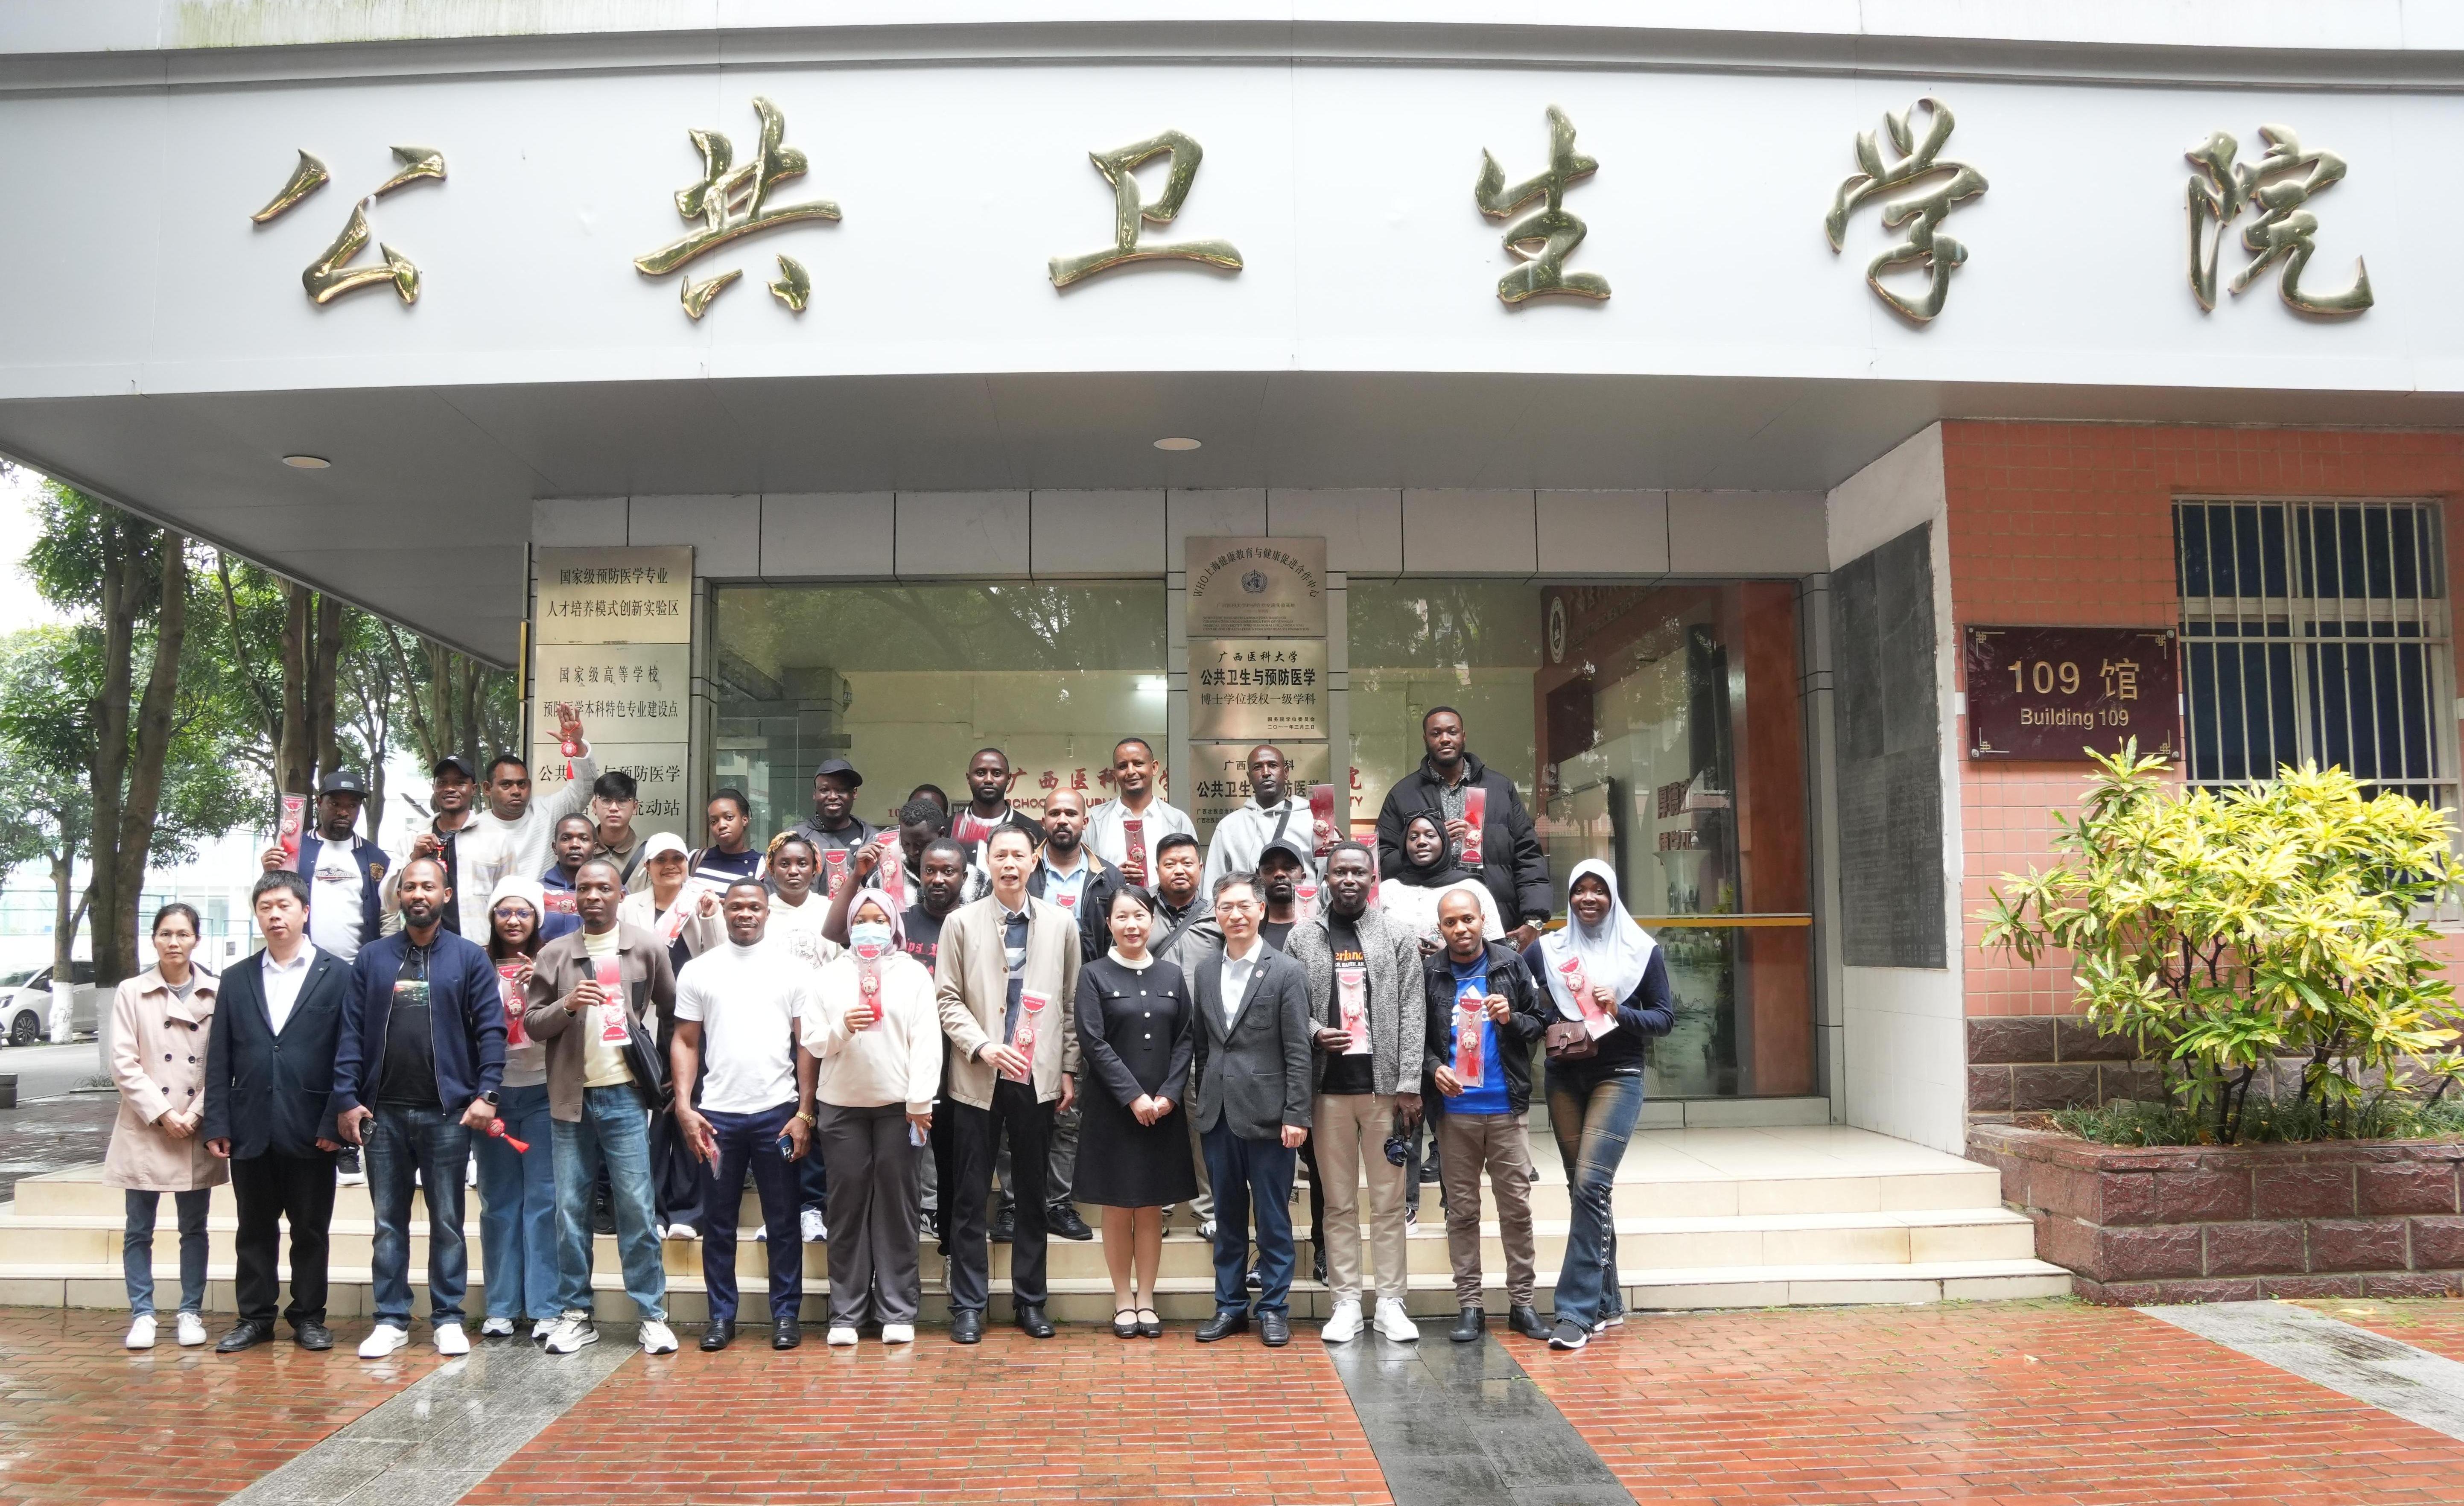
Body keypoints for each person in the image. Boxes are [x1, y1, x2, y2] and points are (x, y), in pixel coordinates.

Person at [329, 856, 506, 1358]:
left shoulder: (469, 958)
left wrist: (487, 1094)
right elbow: (350, 1031)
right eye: (409, 887)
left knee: (448, 1220)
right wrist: (347, 1098)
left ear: (445, 895)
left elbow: (491, 1030)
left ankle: (448, 1317)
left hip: (448, 1113)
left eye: (428, 886)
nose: (418, 894)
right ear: (399, 896)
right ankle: (391, 1318)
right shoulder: (372, 958)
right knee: (388, 1223)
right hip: (382, 1113)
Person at [523, 858, 680, 1357]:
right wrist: (568, 1004)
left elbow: (674, 1011)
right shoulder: (555, 954)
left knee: (637, 1208)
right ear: (574, 896)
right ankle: (576, 1315)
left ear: (620, 895)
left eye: (604, 888)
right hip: (571, 1099)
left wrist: (666, 1072)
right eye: (584, 888)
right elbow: (533, 1024)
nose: (593, 896)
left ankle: (652, 1315)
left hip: (626, 1095)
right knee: (571, 1210)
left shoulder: (646, 946)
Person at [934, 823, 1082, 1344]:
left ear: (1034, 860)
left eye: (1019, 855)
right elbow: (947, 998)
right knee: (970, 1194)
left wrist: (1067, 1068)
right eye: (1001, 856)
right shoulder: (960, 923)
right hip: (977, 1074)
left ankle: (1031, 1301)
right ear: (988, 862)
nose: (1010, 865)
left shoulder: (1061, 924)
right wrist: (981, 1045)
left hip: (1036, 1076)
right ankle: (968, 1305)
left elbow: (1070, 1002)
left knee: (1033, 1194)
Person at [1527, 859, 1674, 1350]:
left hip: (1619, 1075)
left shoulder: (1641, 951)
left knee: (1592, 1183)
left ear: (1613, 897)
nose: (1588, 899)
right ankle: (1608, 1303)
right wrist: (1548, 1013)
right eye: (1579, 891)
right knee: (1583, 1190)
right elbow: (1526, 1001)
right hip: (1564, 1075)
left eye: (1599, 891)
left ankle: (1576, 1313)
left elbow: (1664, 1018)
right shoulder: (1548, 950)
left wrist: (1619, 1011)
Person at [202, 870, 350, 1353]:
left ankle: (309, 1317)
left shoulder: (338, 975)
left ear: (305, 911)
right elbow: (219, 1057)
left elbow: (348, 1055)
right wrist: (218, 1121)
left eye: (284, 905)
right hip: (250, 1126)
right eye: (265, 907)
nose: (275, 915)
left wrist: (334, 1121)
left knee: (311, 1230)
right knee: (254, 1230)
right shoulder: (237, 978)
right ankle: (255, 1317)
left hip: (313, 1129)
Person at [671, 879, 815, 1352]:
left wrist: (805, 1112)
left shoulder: (793, 971)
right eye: (736, 907)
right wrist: (685, 1106)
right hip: (717, 1119)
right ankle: (720, 1316)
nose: (745, 914)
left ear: (768, 912)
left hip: (778, 1114)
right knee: (718, 1221)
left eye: (754, 906)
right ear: (724, 911)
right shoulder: (700, 970)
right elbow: (686, 1040)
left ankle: (786, 1315)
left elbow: (806, 1045)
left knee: (784, 1220)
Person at [1288, 842, 1424, 1345]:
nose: (1348, 879)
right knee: (1338, 1203)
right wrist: (1314, 1032)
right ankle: (1346, 1301)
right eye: (1339, 872)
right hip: (1328, 1092)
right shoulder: (1303, 937)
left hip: (1384, 1092)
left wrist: (1409, 1085)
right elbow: (1290, 1007)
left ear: (1372, 879)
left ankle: (1390, 1302)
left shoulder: (1397, 935)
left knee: (1389, 1202)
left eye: (1357, 872)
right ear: (1325, 879)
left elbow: (1413, 1010)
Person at [805, 890, 940, 1347]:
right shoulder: (827, 977)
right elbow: (813, 1041)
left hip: (901, 1108)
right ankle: (846, 1313)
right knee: (846, 1210)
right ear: (848, 925)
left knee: (898, 1209)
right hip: (842, 1108)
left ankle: (897, 1310)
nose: (870, 927)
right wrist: (843, 1027)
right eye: (861, 919)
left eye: (879, 919)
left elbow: (927, 1040)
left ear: (894, 925)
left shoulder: (913, 974)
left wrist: (920, 1099)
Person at [1189, 872, 1312, 1348]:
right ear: (1216, 914)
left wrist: (1297, 1114)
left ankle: (1274, 1309)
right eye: (1226, 907)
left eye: (1244, 906)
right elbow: (1204, 1047)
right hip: (1218, 1114)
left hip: (1271, 1117)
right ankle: (1230, 1306)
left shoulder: (1286, 971)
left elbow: (1298, 1050)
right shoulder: (1205, 972)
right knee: (1227, 1217)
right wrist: (1205, 1100)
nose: (1235, 915)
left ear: (1261, 910)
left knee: (1273, 1218)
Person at [1425, 888, 1550, 1344]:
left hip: (1506, 1109)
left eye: (1468, 919)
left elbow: (1540, 1023)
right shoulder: (1431, 972)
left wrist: (1510, 1017)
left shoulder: (1510, 965)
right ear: (1441, 929)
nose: (1461, 929)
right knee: (1462, 1212)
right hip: (1454, 1114)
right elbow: (1417, 1037)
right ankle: (1471, 1306)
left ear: (1482, 920)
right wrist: (1433, 1068)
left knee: (1516, 1209)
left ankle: (1522, 1304)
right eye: (1451, 922)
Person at [1072, 885, 1197, 1340]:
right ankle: (1122, 1299)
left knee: (1151, 1207)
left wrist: (1169, 1095)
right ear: (1109, 923)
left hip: (1163, 1110)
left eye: (1140, 915)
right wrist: (1133, 1096)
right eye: (1122, 916)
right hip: (1114, 1110)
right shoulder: (1093, 975)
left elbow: (1185, 1038)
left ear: (1152, 920)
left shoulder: (1172, 975)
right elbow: (1093, 1042)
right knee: (1118, 1206)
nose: (1132, 925)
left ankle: (1147, 1298)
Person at [105, 903, 224, 1351]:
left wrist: (196, 1113)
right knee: (139, 1228)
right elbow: (123, 1062)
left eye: (183, 934)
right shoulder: (131, 991)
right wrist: (162, 1112)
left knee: (194, 1228)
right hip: (147, 1124)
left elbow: (226, 1062)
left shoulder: (218, 991)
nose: (174, 942)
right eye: (165, 934)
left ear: (197, 940)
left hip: (195, 1125)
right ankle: (143, 1314)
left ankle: (190, 1311)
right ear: (153, 939)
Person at [1010, 787, 1117, 1243]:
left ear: (1085, 820)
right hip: (1023, 1002)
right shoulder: (1024, 869)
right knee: (1016, 1111)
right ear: (1043, 820)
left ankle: (1057, 1203)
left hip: (1084, 1002)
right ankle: (1015, 1205)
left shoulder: (1107, 878)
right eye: (1054, 813)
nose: (1062, 820)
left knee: (1068, 1111)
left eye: (1071, 813)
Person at [1375, 708, 1551, 950]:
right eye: (1436, 733)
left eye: (1452, 732)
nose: (1445, 739)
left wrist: (1534, 920)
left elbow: (1528, 856)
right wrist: (1432, 843)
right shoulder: (1403, 795)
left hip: (1497, 924)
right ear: (1425, 740)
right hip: (1428, 933)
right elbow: (1382, 861)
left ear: (1464, 736)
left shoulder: (1500, 789)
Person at [476, 877, 561, 1340]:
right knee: (499, 1201)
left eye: (524, 912)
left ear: (537, 919)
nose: (514, 921)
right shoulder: (476, 962)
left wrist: (542, 984)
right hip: (494, 1097)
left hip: (544, 1090)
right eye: (505, 912)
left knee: (544, 1201)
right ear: (493, 917)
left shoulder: (552, 960)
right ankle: (502, 1306)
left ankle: (546, 1306)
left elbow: (572, 1016)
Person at [764, 832, 844, 1245]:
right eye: (784, 863)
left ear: (816, 869)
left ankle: (812, 1207)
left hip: (819, 1031)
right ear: (770, 868)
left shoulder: (831, 911)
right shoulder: (760, 909)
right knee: (778, 1115)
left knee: (813, 1115)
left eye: (802, 864)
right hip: (772, 1030)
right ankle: (778, 1208)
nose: (793, 871)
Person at [458, 706, 598, 937]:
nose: (516, 791)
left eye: (522, 784)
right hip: (492, 932)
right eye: (506, 785)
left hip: (543, 929)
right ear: (487, 788)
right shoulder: (473, 829)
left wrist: (577, 746)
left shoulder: (547, 810)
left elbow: (585, 789)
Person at [1151, 831, 1220, 1241]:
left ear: (1200, 867)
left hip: (1202, 1038)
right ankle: (1156, 1209)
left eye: (1187, 863)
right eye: (1170, 863)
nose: (1179, 870)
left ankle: (1207, 1210)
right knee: (1154, 1121)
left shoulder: (1217, 914)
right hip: (1150, 1035)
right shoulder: (1141, 908)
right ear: (1157, 869)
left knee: (1201, 1121)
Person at [263, 769, 393, 966]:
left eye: (352, 805)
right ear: (319, 803)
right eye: (335, 804)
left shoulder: (375, 858)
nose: (343, 812)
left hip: (358, 971)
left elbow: (389, 916)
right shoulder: (293, 850)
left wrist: (385, 963)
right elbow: (266, 906)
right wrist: (268, 874)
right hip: (303, 969)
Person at [1200, 744, 1312, 900]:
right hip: (1246, 914)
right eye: (1258, 768)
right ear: (1249, 777)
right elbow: (1213, 888)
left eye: (1273, 765)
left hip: (1304, 912)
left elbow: (1325, 879)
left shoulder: (1311, 820)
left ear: (1286, 772)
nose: (1266, 773)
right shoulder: (1229, 827)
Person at [1376, 812, 1504, 948]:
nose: (1421, 842)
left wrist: (1447, 955)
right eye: (1413, 838)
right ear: (1404, 845)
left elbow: (1497, 950)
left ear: (1444, 841)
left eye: (1430, 836)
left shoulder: (1472, 888)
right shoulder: (1387, 890)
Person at [1083, 737, 1194, 890]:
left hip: (1165, 905)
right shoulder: (1095, 821)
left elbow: (1194, 875)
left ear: (1154, 767)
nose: (1131, 771)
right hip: (1111, 904)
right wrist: (1112, 877)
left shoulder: (1177, 820)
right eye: (1123, 766)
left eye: (1138, 763)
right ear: (1115, 773)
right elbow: (1081, 874)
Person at [400, 755, 480, 936]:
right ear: (434, 788)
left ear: (474, 789)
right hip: (419, 945)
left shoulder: (496, 839)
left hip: (478, 945)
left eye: (460, 783)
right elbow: (389, 901)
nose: (450, 789)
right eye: (443, 783)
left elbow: (507, 901)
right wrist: (414, 859)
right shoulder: (411, 838)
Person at [792, 757, 881, 899]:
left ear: (854, 793)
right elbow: (775, 891)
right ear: (815, 794)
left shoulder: (874, 840)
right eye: (824, 790)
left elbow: (888, 891)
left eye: (841, 790)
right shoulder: (794, 838)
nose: (833, 796)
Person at [949, 748, 1040, 853]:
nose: (989, 780)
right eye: (980, 773)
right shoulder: (948, 828)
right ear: (968, 778)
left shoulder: (1032, 830)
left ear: (1009, 779)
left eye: (997, 774)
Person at [587, 770, 650, 891]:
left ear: (635, 807)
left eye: (622, 801)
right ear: (595, 806)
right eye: (607, 801)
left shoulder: (648, 854)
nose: (614, 808)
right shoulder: (581, 852)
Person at [537, 812, 596, 929]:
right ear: (555, 847)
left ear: (595, 848)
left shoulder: (610, 890)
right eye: (566, 839)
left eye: (584, 839)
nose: (575, 845)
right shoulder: (537, 891)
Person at [1255, 838, 1311, 951]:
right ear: (1259, 878)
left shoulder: (1321, 925)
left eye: (1289, 868)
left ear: (1303, 877)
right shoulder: (1248, 927)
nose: (1279, 874)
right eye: (1269, 869)